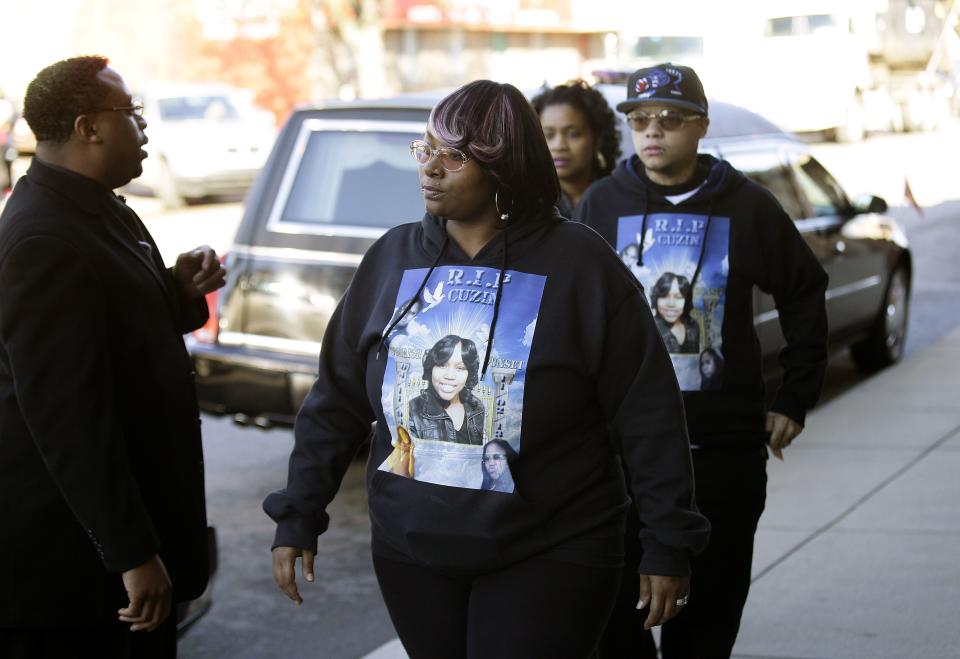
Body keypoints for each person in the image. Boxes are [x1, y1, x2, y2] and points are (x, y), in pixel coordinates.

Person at [264, 80, 709, 659]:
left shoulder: (579, 265)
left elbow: (647, 413)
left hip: (553, 548)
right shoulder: (393, 259)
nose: (431, 168)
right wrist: (299, 512)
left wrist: (667, 542)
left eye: (454, 156)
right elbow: (336, 398)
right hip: (412, 552)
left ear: (504, 166)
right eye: (425, 150)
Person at [578, 63, 828, 659]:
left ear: (701, 126)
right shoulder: (602, 204)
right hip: (622, 459)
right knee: (613, 623)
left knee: (706, 625)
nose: (652, 131)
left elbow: (803, 288)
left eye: (670, 118)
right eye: (640, 119)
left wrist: (795, 396)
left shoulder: (746, 206)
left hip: (721, 455)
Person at [0, 56, 225, 658]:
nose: (144, 128)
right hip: (83, 570)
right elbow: (66, 420)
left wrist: (179, 290)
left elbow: (122, 336)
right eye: (131, 114)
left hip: (133, 538)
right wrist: (131, 553)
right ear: (87, 128)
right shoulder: (43, 237)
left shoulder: (100, 207)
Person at [532, 79, 621, 216]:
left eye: (573, 134)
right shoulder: (526, 204)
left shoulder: (622, 195)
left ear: (597, 139)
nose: (559, 146)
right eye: (548, 135)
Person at [407, 334, 485, 445]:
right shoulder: (412, 410)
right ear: (431, 368)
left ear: (469, 373)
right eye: (442, 365)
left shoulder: (477, 406)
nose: (449, 375)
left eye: (460, 368)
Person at [650, 272, 700, 354]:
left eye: (678, 297)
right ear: (656, 299)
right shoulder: (650, 328)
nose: (671, 304)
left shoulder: (693, 326)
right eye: (664, 296)